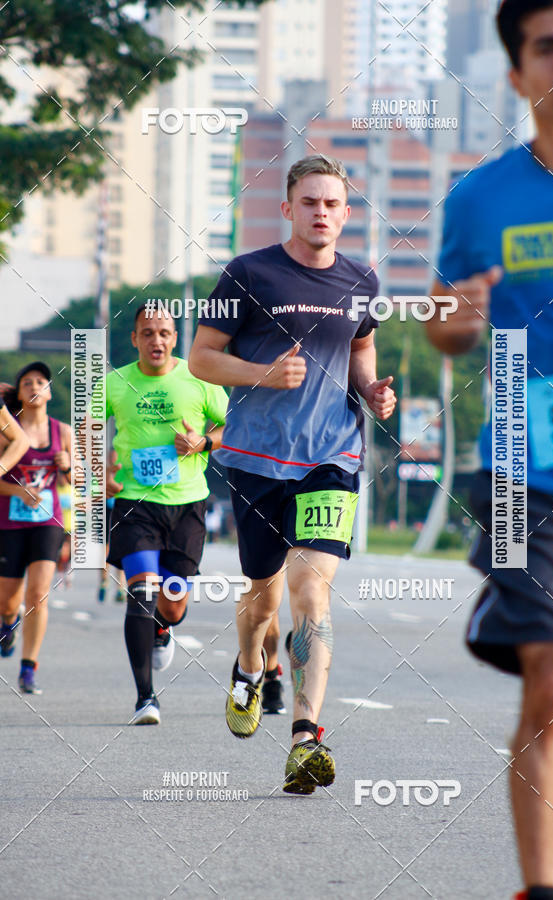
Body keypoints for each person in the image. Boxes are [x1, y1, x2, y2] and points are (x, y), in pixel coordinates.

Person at [425, 2, 553, 897]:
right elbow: (447, 319)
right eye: (547, 47)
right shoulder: (478, 198)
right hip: (524, 472)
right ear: (518, 74)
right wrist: (453, 324)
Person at [189, 154, 396, 793]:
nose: (321, 213)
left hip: (333, 457)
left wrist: (375, 392)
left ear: (346, 213)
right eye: (310, 202)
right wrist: (263, 375)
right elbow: (200, 359)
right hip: (256, 460)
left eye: (332, 204)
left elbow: (362, 351)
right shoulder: (248, 274)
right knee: (263, 597)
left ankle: (306, 734)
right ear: (288, 208)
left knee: (313, 591)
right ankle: (250, 665)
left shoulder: (362, 281)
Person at [100, 304, 228, 725]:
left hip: (188, 504)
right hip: (136, 505)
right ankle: (145, 698)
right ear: (135, 339)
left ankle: (163, 627)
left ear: (175, 338)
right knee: (140, 592)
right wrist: (99, 471)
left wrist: (203, 443)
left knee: (171, 604)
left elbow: (235, 427)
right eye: (147, 333)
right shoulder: (114, 384)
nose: (157, 340)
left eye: (165, 333)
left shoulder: (199, 378)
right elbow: (83, 433)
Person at [0, 362, 71, 693]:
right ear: (20, 392)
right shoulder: (7, 429)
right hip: (9, 522)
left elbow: (78, 480)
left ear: (49, 391)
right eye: (26, 382)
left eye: (40, 381)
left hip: (48, 522)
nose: (33, 386)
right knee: (7, 600)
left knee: (38, 594)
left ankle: (28, 668)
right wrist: (17, 491)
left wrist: (68, 465)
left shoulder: (63, 432)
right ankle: (7, 621)